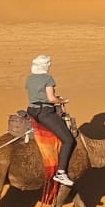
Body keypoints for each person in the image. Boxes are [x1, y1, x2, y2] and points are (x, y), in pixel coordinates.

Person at [25, 54, 78, 188]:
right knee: (68, 140)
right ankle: (61, 172)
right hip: (45, 113)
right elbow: (50, 98)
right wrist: (60, 100)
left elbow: (36, 95)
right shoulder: (48, 78)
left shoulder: (29, 78)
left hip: (32, 109)